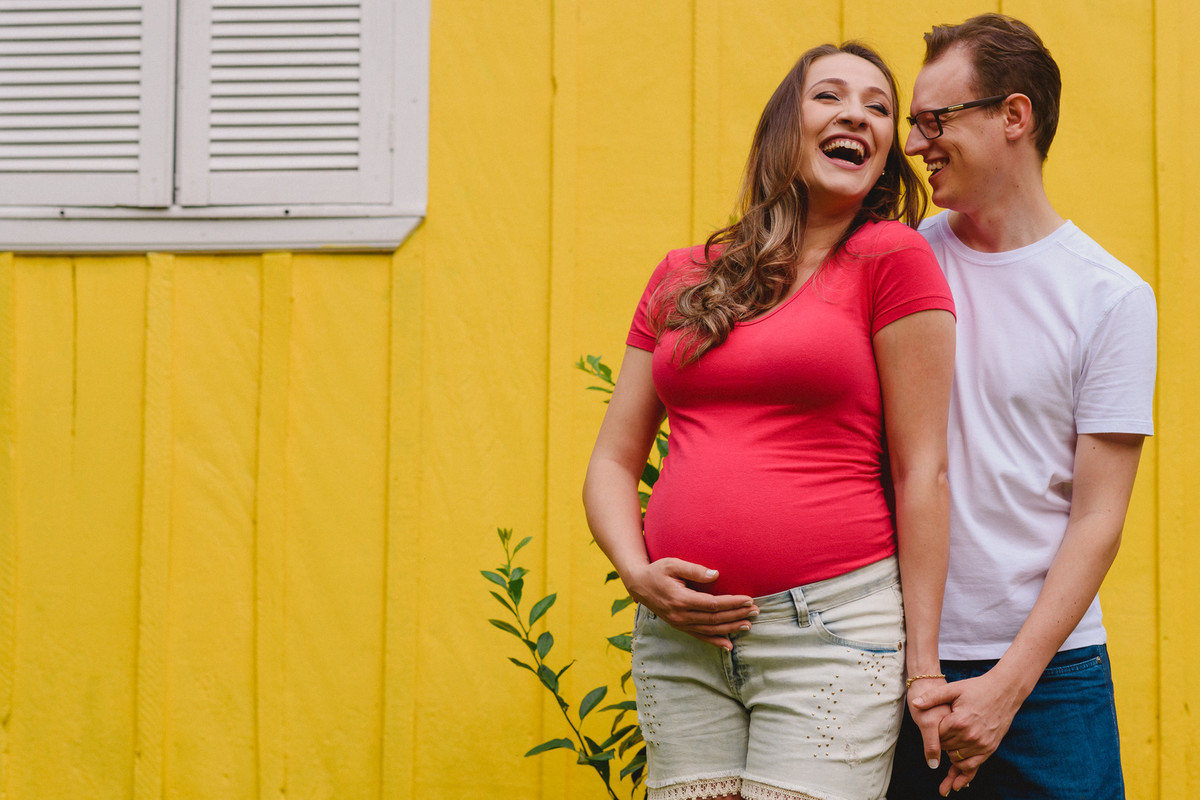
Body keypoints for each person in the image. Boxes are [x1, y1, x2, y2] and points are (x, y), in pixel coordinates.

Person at [582, 42, 956, 800]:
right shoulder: (682, 274)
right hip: (679, 639)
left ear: (885, 155)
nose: (857, 113)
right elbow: (614, 461)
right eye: (830, 96)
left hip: (829, 636)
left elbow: (924, 471)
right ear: (784, 125)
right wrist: (636, 573)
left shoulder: (891, 257)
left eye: (879, 108)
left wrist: (924, 666)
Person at [888, 14, 1157, 799]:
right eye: (913, 122)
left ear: (1014, 116)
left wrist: (1009, 684)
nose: (913, 144)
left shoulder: (1110, 297)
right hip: (903, 668)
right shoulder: (900, 263)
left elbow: (1097, 517)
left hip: (1051, 679)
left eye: (934, 120)